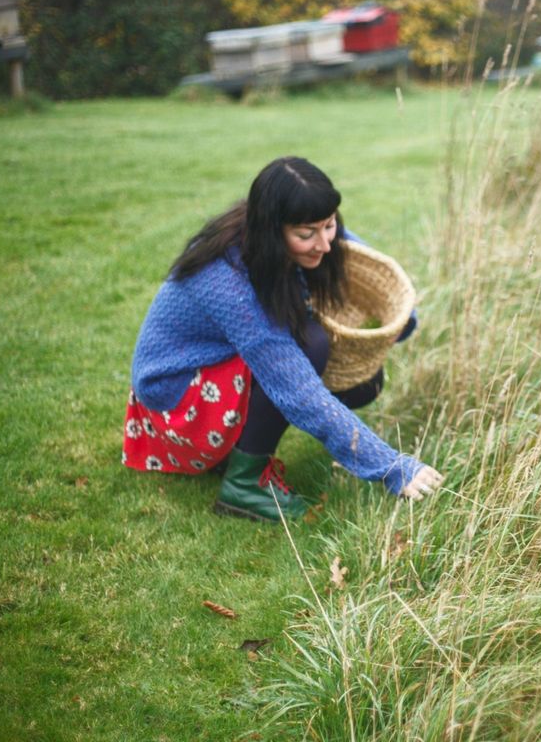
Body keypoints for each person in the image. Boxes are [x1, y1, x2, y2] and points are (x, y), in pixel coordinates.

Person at [122, 156, 444, 522]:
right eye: (306, 235)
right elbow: (298, 391)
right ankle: (244, 486)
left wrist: (404, 317)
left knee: (364, 384)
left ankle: (240, 450)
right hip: (177, 398)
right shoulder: (228, 281)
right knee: (311, 346)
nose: (323, 244)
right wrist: (391, 466)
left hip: (218, 370)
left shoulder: (300, 228)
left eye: (329, 225)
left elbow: (363, 257)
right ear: (271, 230)